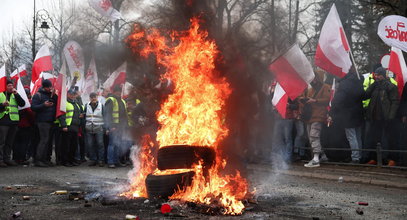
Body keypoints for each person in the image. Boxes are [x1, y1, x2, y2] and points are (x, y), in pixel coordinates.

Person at [363, 67, 399, 166]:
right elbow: (366, 95)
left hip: (385, 118)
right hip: (374, 118)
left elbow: (395, 102)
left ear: (383, 75)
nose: (377, 77)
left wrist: (390, 116)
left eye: (379, 75)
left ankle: (388, 159)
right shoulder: (374, 86)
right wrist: (373, 85)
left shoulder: (390, 87)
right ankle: (374, 158)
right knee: (374, 139)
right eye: (376, 75)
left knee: (386, 139)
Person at [329, 69, 365, 163]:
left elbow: (338, 100)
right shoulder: (358, 81)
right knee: (358, 136)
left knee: (351, 137)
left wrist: (332, 111)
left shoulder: (345, 84)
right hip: (359, 112)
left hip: (348, 114)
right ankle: (359, 156)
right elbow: (363, 95)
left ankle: (355, 158)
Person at [302, 69, 331, 168]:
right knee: (312, 138)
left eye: (315, 78)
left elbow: (327, 99)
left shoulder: (326, 87)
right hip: (310, 116)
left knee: (314, 136)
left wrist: (315, 100)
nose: (313, 80)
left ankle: (316, 159)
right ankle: (322, 156)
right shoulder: (311, 90)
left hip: (319, 115)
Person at [31, 79, 57, 167]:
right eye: (49, 87)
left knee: (48, 141)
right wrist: (43, 105)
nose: (50, 88)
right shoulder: (38, 95)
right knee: (43, 140)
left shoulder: (51, 95)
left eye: (51, 87)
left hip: (51, 121)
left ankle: (45, 159)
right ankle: (38, 159)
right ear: (45, 87)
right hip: (42, 121)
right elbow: (33, 107)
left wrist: (55, 95)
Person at [0, 80, 26, 167]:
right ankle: (0, 159)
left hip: (13, 122)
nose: (11, 87)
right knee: (1, 142)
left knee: (9, 142)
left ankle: (7, 158)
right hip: (3, 121)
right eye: (9, 86)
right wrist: (2, 105)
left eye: (11, 85)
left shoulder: (15, 95)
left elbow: (22, 104)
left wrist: (17, 94)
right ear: (5, 87)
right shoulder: (1, 94)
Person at [58, 89, 83, 167]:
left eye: (74, 94)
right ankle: (65, 161)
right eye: (71, 94)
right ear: (67, 94)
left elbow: (78, 114)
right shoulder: (64, 103)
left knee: (73, 145)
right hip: (68, 127)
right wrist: (64, 125)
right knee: (66, 145)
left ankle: (71, 160)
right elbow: (61, 115)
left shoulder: (77, 104)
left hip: (75, 127)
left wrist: (81, 117)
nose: (72, 96)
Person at [105, 85, 129, 168]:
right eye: (117, 91)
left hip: (121, 127)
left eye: (120, 91)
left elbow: (124, 115)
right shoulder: (111, 100)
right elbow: (108, 114)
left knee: (118, 144)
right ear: (114, 92)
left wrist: (126, 126)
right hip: (114, 126)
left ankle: (116, 161)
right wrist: (111, 126)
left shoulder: (122, 101)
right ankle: (110, 162)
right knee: (112, 144)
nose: (119, 93)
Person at [13, 88, 35, 165]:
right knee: (24, 143)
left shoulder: (15, 100)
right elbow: (31, 114)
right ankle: (21, 158)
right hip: (25, 125)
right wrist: (32, 123)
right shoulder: (27, 102)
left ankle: (15, 158)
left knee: (16, 142)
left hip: (16, 124)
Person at [84, 92, 105, 167]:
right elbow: (84, 116)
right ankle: (93, 160)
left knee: (100, 145)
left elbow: (105, 117)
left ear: (97, 97)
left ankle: (101, 160)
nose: (93, 98)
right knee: (90, 145)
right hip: (89, 129)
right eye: (92, 97)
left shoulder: (101, 106)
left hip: (99, 128)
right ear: (90, 98)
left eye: (94, 97)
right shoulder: (86, 106)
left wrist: (106, 128)